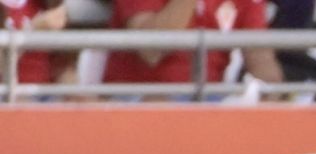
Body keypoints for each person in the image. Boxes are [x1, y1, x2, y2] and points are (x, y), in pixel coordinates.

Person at [103, 0, 284, 94]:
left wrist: (273, 93)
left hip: (211, 101)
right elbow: (151, 51)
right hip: (138, 101)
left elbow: (260, 57)